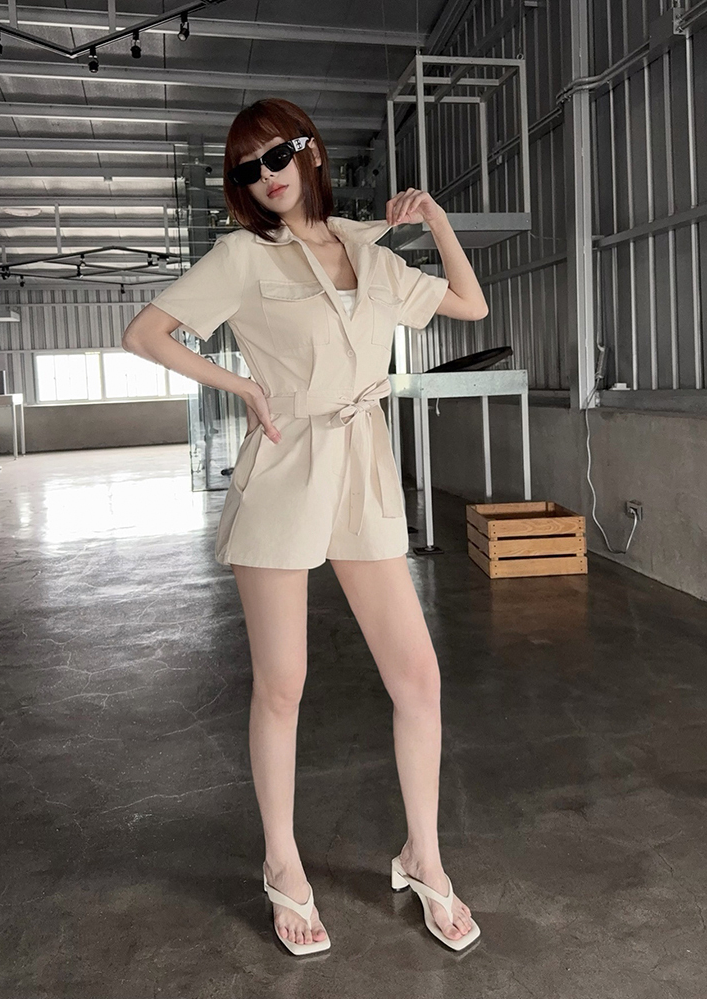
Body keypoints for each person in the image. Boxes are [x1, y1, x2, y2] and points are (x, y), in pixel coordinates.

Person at [122, 97, 488, 956]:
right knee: (282, 682)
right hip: (286, 465)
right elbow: (145, 332)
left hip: (362, 462)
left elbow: (469, 304)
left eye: (276, 155)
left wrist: (433, 218)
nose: (266, 176)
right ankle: (282, 863)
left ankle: (424, 856)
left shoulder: (368, 248)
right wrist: (241, 386)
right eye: (247, 169)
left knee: (418, 677)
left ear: (309, 150)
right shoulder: (242, 256)